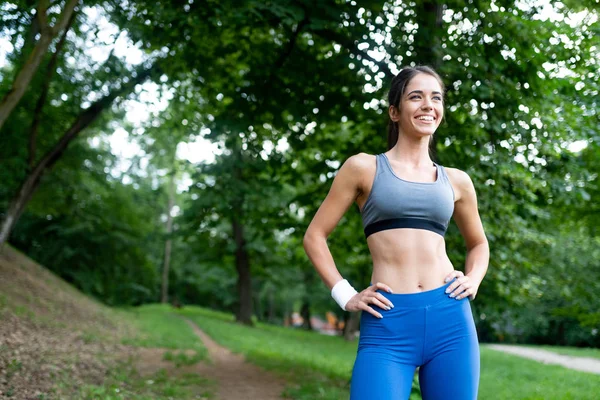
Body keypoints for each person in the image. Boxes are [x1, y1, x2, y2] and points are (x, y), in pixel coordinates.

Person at [302, 65, 489, 400]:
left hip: (451, 319)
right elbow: (314, 236)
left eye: (436, 98)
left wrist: (473, 278)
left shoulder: (457, 180)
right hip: (388, 321)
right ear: (395, 111)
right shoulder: (362, 168)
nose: (428, 105)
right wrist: (345, 295)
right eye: (415, 97)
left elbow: (478, 244)